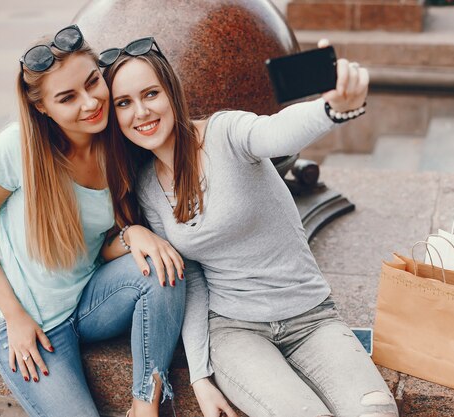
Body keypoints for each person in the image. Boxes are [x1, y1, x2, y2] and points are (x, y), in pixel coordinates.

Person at [101, 37, 399, 417]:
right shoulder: (146, 186)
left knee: (375, 411)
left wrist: (331, 108)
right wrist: (199, 377)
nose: (140, 112)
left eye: (150, 94)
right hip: (234, 331)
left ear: (171, 92)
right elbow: (189, 277)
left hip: (311, 317)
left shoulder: (225, 133)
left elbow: (277, 132)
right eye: (124, 103)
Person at [0, 25, 187, 417]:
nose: (90, 102)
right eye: (67, 98)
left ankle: (145, 403)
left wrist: (135, 234)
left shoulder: (117, 146)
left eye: (93, 82)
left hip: (89, 303)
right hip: (33, 325)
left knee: (163, 267)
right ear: (43, 108)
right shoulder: (16, 149)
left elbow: (101, 244)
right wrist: (14, 318)